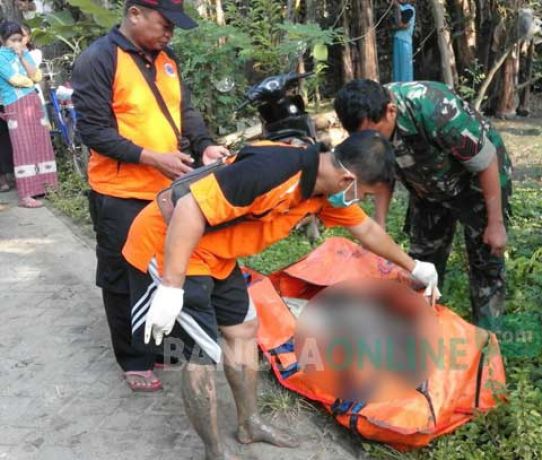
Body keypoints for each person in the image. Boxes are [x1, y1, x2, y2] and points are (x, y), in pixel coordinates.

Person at [121, 131, 440, 459]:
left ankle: (249, 423)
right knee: (200, 355)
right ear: (348, 178)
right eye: (364, 193)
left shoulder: (322, 190)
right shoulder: (272, 170)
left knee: (243, 329)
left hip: (215, 254)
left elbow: (367, 230)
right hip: (169, 245)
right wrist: (172, 287)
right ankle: (215, 451)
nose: (360, 200)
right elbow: (189, 208)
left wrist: (414, 266)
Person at [72, 0, 229, 392]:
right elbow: (93, 130)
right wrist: (150, 157)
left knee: (167, 269)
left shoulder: (167, 58)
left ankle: (161, 345)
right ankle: (134, 359)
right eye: (164, 24)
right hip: (119, 192)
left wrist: (205, 144)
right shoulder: (98, 59)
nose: (170, 33)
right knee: (123, 277)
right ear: (135, 13)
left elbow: (184, 110)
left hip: (167, 192)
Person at [334, 79, 513, 323]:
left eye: (373, 133)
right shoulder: (372, 123)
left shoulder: (436, 108)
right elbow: (383, 172)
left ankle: (488, 342)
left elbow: (486, 161)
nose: (369, 141)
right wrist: (380, 226)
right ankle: (421, 328)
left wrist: (496, 223)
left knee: (486, 263)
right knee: (421, 261)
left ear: (391, 112)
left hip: (475, 184)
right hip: (426, 188)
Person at [0, 20, 57, 208]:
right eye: (13, 40)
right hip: (15, 105)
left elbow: (37, 76)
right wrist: (30, 80)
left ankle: (47, 187)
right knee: (23, 147)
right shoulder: (1, 57)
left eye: (19, 39)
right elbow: (15, 80)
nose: (17, 44)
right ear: (2, 40)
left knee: (41, 143)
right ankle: (26, 194)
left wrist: (23, 58)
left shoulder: (25, 54)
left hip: (33, 102)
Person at [391, 0, 415, 82]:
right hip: (398, 39)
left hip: (405, 42)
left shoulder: (409, 9)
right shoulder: (400, 8)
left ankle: (406, 90)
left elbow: (401, 24)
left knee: (405, 70)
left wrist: (397, 6)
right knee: (397, 68)